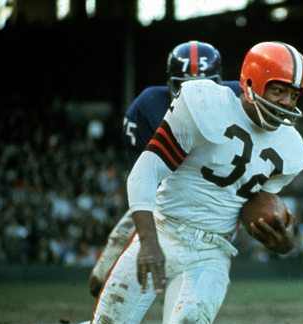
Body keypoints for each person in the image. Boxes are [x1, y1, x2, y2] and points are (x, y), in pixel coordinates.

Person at [78, 41, 303, 324]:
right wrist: (148, 242)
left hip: (211, 252)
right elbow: (144, 173)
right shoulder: (204, 103)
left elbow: (255, 207)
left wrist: (284, 243)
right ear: (251, 83)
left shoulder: (292, 150)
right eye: (278, 91)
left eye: (294, 95)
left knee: (188, 322)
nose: (287, 102)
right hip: (163, 229)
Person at [88, 41, 242, 297]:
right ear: (171, 84)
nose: (197, 94)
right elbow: (146, 179)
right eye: (185, 86)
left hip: (212, 206)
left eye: (206, 85)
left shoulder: (240, 101)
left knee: (185, 290)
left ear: (221, 83)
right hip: (163, 199)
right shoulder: (148, 106)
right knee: (100, 281)